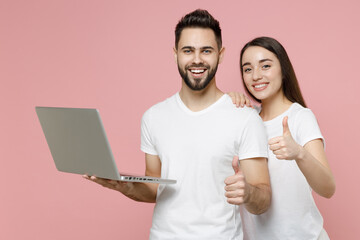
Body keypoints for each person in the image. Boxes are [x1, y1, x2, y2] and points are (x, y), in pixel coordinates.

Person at [84, 10, 271, 240]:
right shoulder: (153, 117)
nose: (197, 60)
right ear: (175, 54)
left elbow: (263, 198)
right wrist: (122, 185)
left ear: (221, 55)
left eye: (206, 50)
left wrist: (249, 192)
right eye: (188, 50)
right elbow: (154, 186)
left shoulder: (244, 117)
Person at [229, 36, 336, 240]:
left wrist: (299, 153)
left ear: (283, 69)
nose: (256, 76)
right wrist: (229, 104)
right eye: (248, 69)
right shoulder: (245, 122)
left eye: (265, 66)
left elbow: (328, 188)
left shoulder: (300, 117)